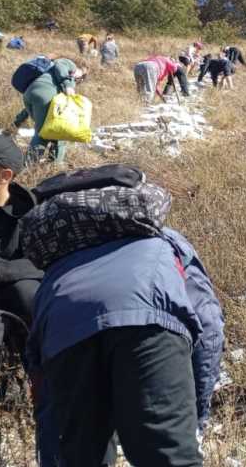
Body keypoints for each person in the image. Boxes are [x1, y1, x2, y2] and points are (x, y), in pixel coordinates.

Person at [24, 177, 224, 466]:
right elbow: (209, 326)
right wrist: (195, 417)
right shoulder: (166, 241)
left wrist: (54, 454)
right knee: (167, 457)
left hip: (66, 335)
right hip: (150, 326)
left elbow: (42, 378)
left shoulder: (56, 268)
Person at [0, 135, 43, 355]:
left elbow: (43, 264)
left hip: (8, 299)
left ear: (5, 176)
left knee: (28, 293)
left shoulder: (31, 214)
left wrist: (0, 270)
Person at [11, 58, 79, 164]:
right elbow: (60, 64)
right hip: (42, 97)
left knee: (46, 129)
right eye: (81, 77)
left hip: (28, 95)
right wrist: (68, 84)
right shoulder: (70, 64)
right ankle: (40, 166)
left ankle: (45, 162)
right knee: (55, 132)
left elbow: (35, 104)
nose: (78, 80)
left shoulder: (48, 79)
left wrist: (17, 121)